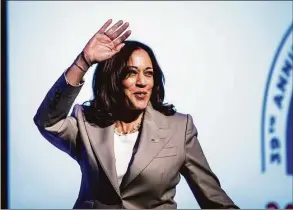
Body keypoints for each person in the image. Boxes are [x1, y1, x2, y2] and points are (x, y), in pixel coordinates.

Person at [34, 19, 239, 209]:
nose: (142, 81)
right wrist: (84, 61)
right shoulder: (86, 122)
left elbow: (214, 200)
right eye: (131, 72)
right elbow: (47, 121)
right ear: (114, 79)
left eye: (148, 73)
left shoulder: (179, 128)